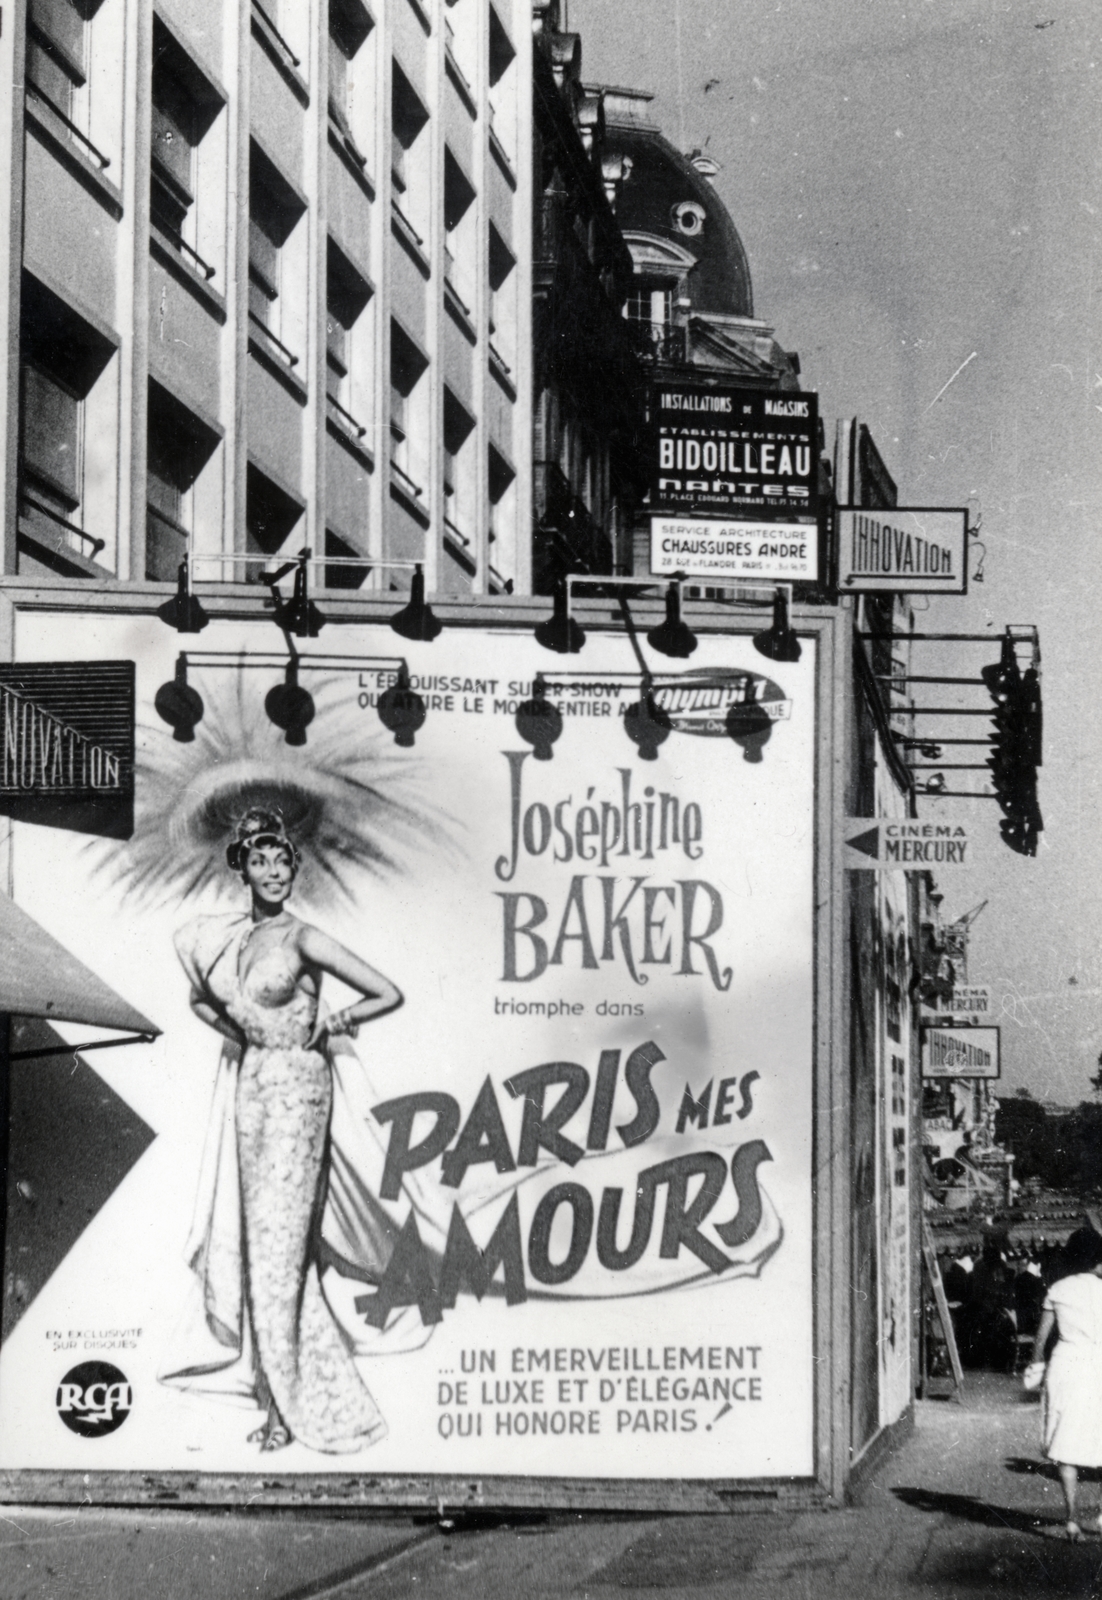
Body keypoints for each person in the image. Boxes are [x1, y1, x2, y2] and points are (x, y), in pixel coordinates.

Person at [169, 808, 404, 1454]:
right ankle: (274, 1396)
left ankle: (294, 1408)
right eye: (262, 860)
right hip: (254, 1089)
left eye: (283, 862)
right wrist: (246, 1035)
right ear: (241, 866)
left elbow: (387, 992)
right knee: (255, 1244)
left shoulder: (304, 938)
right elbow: (202, 1000)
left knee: (281, 1253)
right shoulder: (230, 941)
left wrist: (337, 1023)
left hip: (300, 1093)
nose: (274, 872)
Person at [1025, 1226, 1102, 1539]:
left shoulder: (1058, 1289)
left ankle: (1070, 1520)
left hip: (1067, 1366)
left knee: (1066, 1441)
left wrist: (1035, 1363)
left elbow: (1041, 1338)